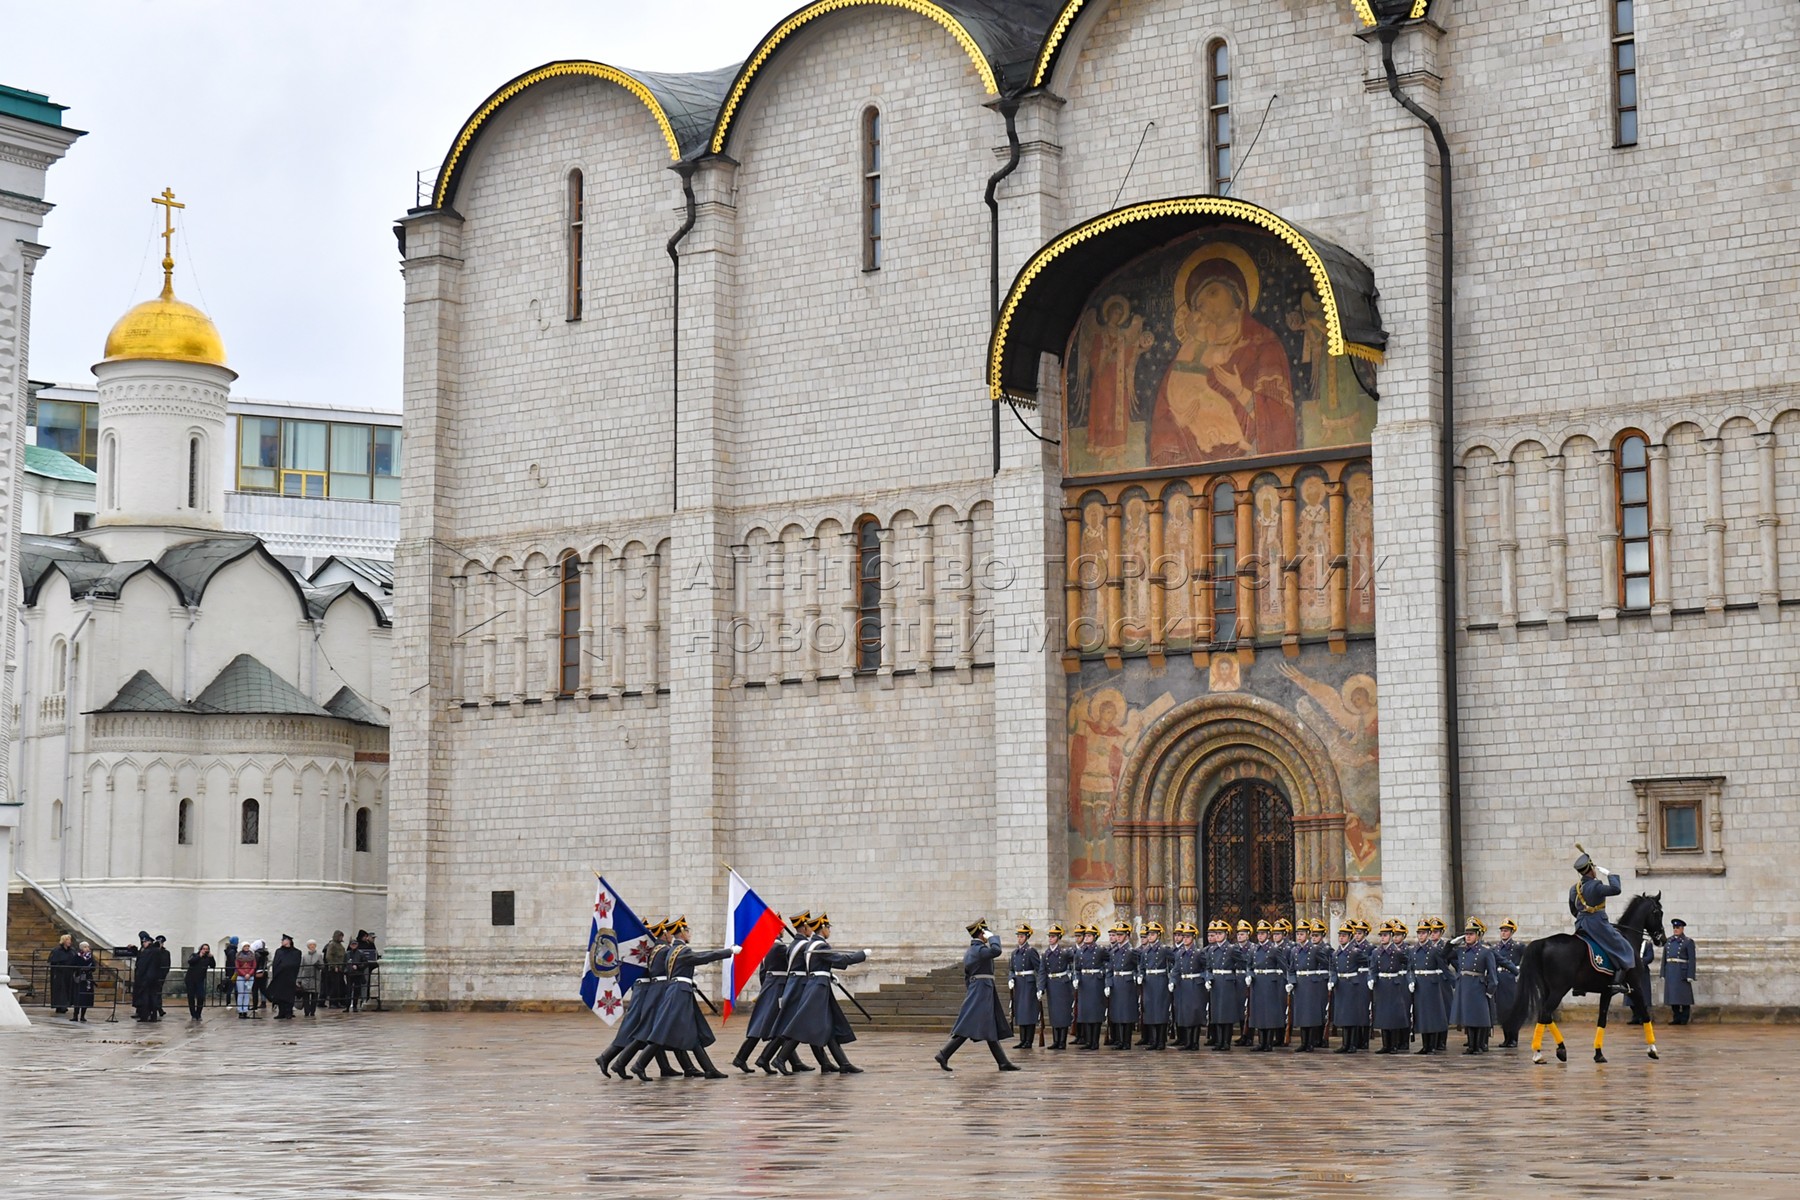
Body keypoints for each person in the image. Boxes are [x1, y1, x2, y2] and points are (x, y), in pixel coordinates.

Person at [629, 917, 739, 1080]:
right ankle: (639, 1065)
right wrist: (729, 952)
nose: (689, 934)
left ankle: (709, 1069)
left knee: (692, 1032)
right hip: (679, 994)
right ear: (682, 933)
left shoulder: (672, 950)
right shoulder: (683, 951)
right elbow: (704, 957)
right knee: (663, 1031)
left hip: (679, 991)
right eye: (688, 931)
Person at [769, 912, 868, 1076]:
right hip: (817, 990)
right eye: (828, 927)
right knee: (803, 1025)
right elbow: (840, 960)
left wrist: (827, 974)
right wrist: (862, 955)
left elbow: (817, 966)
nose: (830, 930)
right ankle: (779, 1058)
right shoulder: (820, 946)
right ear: (823, 928)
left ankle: (843, 1063)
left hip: (819, 986)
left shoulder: (811, 945)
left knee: (828, 1026)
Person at [935, 920, 1019, 1072]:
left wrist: (972, 990)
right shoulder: (979, 949)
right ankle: (944, 1053)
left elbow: (967, 977)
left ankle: (1003, 1062)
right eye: (985, 933)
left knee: (988, 1024)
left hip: (979, 989)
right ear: (982, 933)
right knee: (969, 1026)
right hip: (982, 990)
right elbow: (996, 951)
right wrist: (993, 937)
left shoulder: (970, 951)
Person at [730, 919, 799, 1073]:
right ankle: (759, 1059)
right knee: (779, 1024)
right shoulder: (780, 947)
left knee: (768, 1025)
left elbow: (763, 972)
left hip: (769, 986)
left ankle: (743, 1058)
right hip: (778, 987)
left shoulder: (766, 946)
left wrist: (765, 989)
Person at [1569, 852, 1637, 993]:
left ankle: (1579, 986)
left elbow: (1573, 909)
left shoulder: (1574, 889)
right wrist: (1610, 875)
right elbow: (1616, 889)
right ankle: (1618, 980)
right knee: (1623, 946)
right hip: (1597, 924)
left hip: (1581, 924)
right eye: (1593, 867)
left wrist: (1584, 917)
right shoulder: (1596, 886)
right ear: (1591, 869)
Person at [1449, 919, 1499, 1054]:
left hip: (1478, 987)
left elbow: (1493, 975)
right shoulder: (1461, 951)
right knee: (1468, 1018)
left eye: (1471, 934)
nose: (1468, 937)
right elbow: (1444, 955)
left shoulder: (1485, 952)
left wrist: (1490, 992)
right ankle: (1471, 1046)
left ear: (1478, 935)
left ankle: (1478, 1046)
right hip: (1465, 987)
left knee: (1479, 1018)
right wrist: (1451, 943)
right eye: (1466, 934)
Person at [1246, 920, 1291, 1052]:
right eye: (1259, 933)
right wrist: (1249, 975)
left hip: (1270, 983)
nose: (1260, 936)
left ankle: (1269, 1043)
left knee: (1269, 1014)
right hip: (1257, 982)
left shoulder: (1274, 949)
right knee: (1259, 1013)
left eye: (1263, 934)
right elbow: (1249, 965)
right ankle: (1261, 1042)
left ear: (1268, 935)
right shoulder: (1253, 949)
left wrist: (1288, 982)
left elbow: (1285, 967)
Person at [1370, 920, 1413, 1054]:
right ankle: (1385, 1044)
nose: (1383, 938)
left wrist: (1406, 977)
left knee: (1393, 1016)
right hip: (1382, 985)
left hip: (1394, 984)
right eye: (1381, 935)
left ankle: (1394, 1045)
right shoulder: (1376, 952)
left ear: (1390, 936)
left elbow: (1409, 963)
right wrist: (1371, 979)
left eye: (1385, 935)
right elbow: (1372, 969)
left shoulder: (1397, 952)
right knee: (1383, 1015)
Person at [1409, 917, 1449, 1055]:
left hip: (1431, 985)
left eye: (1424, 933)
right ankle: (1425, 1045)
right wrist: (1411, 980)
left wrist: (1456, 983)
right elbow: (1410, 968)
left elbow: (1444, 968)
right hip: (1419, 985)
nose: (1421, 935)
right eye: (1419, 933)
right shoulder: (1413, 950)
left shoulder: (1434, 950)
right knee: (1422, 1015)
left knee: (1431, 1016)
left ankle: (1432, 1045)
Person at [1330, 920, 1371, 1053]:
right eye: (1340, 935)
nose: (1341, 938)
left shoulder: (1355, 952)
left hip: (1352, 985)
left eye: (1344, 936)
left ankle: (1352, 1044)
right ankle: (1345, 1043)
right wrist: (1333, 980)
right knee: (1343, 1016)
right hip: (1341, 986)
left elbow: (1370, 962)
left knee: (1352, 1016)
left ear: (1349, 937)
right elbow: (1333, 970)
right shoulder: (1336, 954)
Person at [1202, 919, 1242, 1051]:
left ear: (1226, 934)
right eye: (1216, 933)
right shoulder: (1212, 950)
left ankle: (1226, 1041)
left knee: (1227, 1013)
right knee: (1217, 1013)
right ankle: (1219, 1041)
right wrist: (1208, 978)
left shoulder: (1231, 949)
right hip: (1215, 982)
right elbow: (1208, 967)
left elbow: (1245, 961)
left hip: (1227, 981)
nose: (1217, 936)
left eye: (1220, 933)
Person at [1136, 922, 1173, 1051]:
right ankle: (1153, 1040)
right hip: (1149, 982)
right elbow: (1142, 966)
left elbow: (1176, 961)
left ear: (1158, 935)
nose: (1150, 936)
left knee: (1161, 1012)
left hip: (1161, 980)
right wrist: (1141, 975)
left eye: (1153, 934)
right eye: (1149, 934)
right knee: (1150, 1012)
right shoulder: (1145, 951)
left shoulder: (1164, 949)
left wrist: (1171, 977)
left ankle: (1161, 1041)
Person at [1170, 923, 1207, 1051]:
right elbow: (1176, 969)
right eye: (1183, 936)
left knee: (1194, 1013)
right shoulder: (1179, 953)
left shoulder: (1198, 953)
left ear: (1193, 938)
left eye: (1188, 936)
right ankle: (1187, 1041)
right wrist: (1172, 980)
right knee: (1185, 1013)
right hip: (1184, 985)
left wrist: (1205, 978)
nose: (1185, 939)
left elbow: (1207, 967)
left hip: (1195, 985)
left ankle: (1195, 1042)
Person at [1103, 920, 1140, 1050]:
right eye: (1117, 934)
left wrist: (1137, 977)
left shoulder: (1131, 951)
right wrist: (1108, 984)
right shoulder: (1113, 952)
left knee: (1126, 1013)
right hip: (1116, 982)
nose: (1118, 937)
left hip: (1127, 983)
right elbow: (1109, 970)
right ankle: (1119, 1040)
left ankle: (1126, 1041)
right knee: (1117, 1013)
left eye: (1121, 934)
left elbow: (1139, 966)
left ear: (1127, 935)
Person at [1040, 923, 1077, 1051]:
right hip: (1051, 984)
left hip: (1062, 984)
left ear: (1058, 938)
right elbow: (1042, 971)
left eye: (1053, 936)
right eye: (1050, 936)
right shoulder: (1045, 954)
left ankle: (1062, 1041)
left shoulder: (1064, 953)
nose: (1050, 938)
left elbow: (1077, 959)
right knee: (1054, 1014)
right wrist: (1041, 987)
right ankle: (1056, 1040)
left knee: (1063, 1014)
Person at [1072, 923, 1109, 1051]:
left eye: (1089, 936)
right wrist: (1076, 979)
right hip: (1084, 983)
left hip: (1095, 982)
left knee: (1095, 1013)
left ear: (1095, 937)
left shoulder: (1100, 950)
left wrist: (1103, 973)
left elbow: (1109, 962)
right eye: (1086, 935)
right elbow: (1076, 968)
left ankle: (1095, 1042)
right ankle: (1088, 1041)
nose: (1086, 938)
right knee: (1086, 1013)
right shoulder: (1080, 951)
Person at [1007, 923, 1043, 1050]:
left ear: (1027, 937)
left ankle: (1029, 1040)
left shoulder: (1031, 951)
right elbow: (1011, 969)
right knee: (1021, 1012)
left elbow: (1039, 969)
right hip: (1018, 984)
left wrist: (1040, 986)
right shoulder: (1014, 952)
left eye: (1022, 936)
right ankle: (1022, 1040)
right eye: (1018, 936)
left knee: (1029, 1012)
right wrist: (1011, 979)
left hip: (1028, 984)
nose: (1019, 938)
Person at [1492, 919, 1524, 1045]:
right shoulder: (1496, 947)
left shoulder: (1517, 946)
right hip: (1500, 979)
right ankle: (1506, 1038)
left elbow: (1527, 958)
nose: (1503, 933)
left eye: (1506, 931)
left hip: (1511, 980)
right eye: (1502, 931)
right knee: (1502, 1010)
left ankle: (1514, 1038)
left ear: (1511, 932)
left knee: (1512, 1010)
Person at [1662, 919, 1696, 1024]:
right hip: (1671, 971)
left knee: (1684, 997)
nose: (1676, 930)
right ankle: (1676, 1017)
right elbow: (1664, 958)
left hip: (1682, 971)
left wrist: (1690, 974)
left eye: (1678, 928)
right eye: (1674, 928)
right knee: (1673, 996)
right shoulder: (1668, 941)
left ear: (1682, 929)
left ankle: (1684, 1018)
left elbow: (1692, 959)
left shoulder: (1687, 942)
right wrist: (1663, 972)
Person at [184, 944, 216, 1021]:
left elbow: (213, 966)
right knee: (191, 997)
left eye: (207, 949)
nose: (205, 950)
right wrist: (199, 956)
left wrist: (212, 958)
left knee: (201, 996)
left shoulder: (207, 958)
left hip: (200, 980)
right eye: (204, 948)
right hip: (190, 979)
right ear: (200, 949)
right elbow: (190, 962)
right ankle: (193, 1014)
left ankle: (199, 1014)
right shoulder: (195, 955)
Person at [49, 933, 76, 1014]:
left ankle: (65, 1004)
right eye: (67, 940)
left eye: (70, 940)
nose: (69, 941)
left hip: (69, 974)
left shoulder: (72, 951)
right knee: (59, 990)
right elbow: (54, 962)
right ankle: (59, 1006)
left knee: (67, 989)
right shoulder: (57, 951)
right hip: (59, 974)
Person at [70, 942, 96, 1022]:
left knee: (86, 997)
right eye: (85, 947)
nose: (87, 948)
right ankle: (75, 1015)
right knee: (78, 997)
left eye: (88, 947)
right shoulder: (77, 956)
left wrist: (89, 968)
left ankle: (83, 1015)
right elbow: (72, 965)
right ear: (81, 948)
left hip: (87, 979)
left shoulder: (90, 957)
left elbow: (93, 967)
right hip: (79, 979)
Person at [298, 940, 324, 1017]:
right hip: (305, 978)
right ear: (308, 946)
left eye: (313, 945)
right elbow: (301, 967)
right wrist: (299, 979)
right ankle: (306, 1011)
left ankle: (312, 1011)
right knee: (305, 996)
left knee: (314, 996)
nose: (312, 946)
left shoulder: (319, 955)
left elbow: (322, 966)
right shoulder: (304, 956)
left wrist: (318, 965)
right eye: (310, 945)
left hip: (315, 978)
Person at [323, 930, 347, 1009]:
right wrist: (334, 966)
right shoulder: (332, 945)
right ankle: (333, 1002)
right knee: (334, 986)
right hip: (334, 969)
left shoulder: (340, 945)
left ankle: (338, 1001)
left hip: (340, 968)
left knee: (340, 986)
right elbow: (329, 957)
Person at [233, 940, 258, 1018]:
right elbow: (237, 967)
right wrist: (244, 974)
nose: (246, 948)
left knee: (247, 994)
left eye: (248, 946)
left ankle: (245, 1010)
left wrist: (249, 974)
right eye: (245, 946)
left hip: (250, 976)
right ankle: (240, 1010)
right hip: (241, 976)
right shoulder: (238, 956)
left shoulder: (252, 956)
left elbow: (254, 966)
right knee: (241, 993)